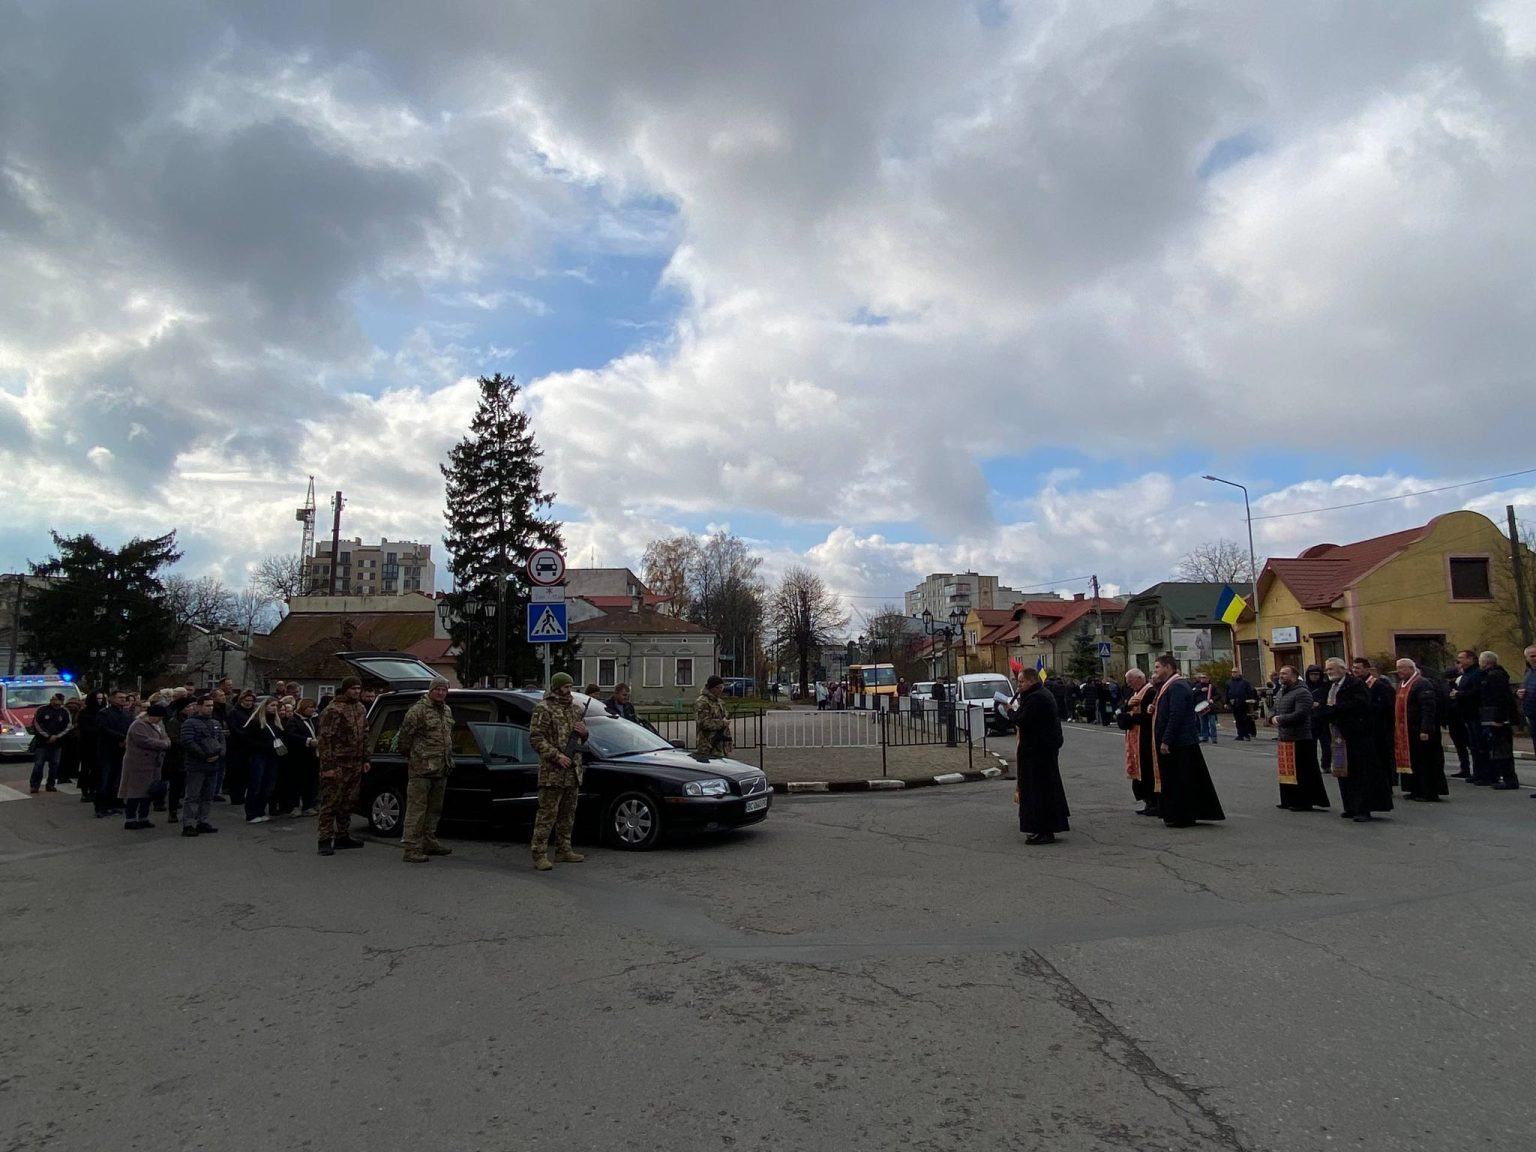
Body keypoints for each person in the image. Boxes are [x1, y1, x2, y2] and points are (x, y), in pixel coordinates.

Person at [1149, 654, 1225, 828]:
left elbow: (1176, 715)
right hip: (1179, 741)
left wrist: (1166, 740)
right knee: (1177, 780)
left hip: (1180, 742)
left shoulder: (1177, 686)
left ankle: (1182, 816)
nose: (1155, 671)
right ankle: (1175, 814)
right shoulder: (1169, 685)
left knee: (1182, 781)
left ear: (1168, 667)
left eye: (1158, 667)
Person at [1313, 657, 1391, 822]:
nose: (1328, 672)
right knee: (1343, 771)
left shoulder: (1355, 684)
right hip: (1338, 734)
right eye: (1327, 669)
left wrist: (1334, 710)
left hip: (1357, 735)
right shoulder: (1331, 686)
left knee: (1360, 773)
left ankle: (1363, 808)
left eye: (1331, 669)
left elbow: (1361, 705)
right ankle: (1350, 806)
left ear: (1342, 669)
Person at [528, 672, 589, 871]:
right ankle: (539, 854)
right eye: (565, 687)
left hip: (572, 771)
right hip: (552, 772)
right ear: (556, 687)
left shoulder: (575, 709)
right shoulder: (543, 708)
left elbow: (583, 738)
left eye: (570, 687)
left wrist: (584, 733)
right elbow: (536, 738)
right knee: (547, 815)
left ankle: (564, 849)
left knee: (567, 814)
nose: (569, 690)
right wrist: (557, 756)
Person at [1007, 668, 1069, 845]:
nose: (1018, 685)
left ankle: (1043, 830)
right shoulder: (1039, 694)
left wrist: (1010, 711)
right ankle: (1041, 828)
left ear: (1031, 681)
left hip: (1038, 752)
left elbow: (1023, 720)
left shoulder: (1036, 698)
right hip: (1041, 750)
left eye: (1021, 682)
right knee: (1042, 790)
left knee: (1039, 791)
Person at [397, 679, 455, 864]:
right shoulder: (417, 711)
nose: (440, 693)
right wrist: (415, 757)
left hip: (441, 767)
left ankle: (429, 841)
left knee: (434, 809)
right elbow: (404, 739)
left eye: (444, 690)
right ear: (431, 690)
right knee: (417, 809)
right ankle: (411, 848)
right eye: (437, 689)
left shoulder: (446, 710)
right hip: (421, 769)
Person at [315, 677, 370, 854]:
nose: (356, 691)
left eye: (358, 688)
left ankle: (342, 835)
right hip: (337, 763)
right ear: (345, 689)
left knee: (348, 801)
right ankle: (324, 839)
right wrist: (327, 767)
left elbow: (365, 734)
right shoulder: (333, 709)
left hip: (355, 763)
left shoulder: (360, 708)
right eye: (353, 688)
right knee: (331, 801)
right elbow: (325, 740)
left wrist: (365, 759)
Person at [1269, 665, 1329, 811]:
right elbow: (1274, 709)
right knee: (1287, 771)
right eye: (1280, 673)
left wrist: (1280, 719)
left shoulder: (1302, 692)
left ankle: (1303, 801)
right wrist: (1271, 718)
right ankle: (1288, 799)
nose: (1281, 676)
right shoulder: (1281, 691)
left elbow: (1301, 713)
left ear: (1294, 676)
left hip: (1300, 737)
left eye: (1285, 673)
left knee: (1303, 772)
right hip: (1284, 737)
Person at [1394, 659, 1447, 802]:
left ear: (1411, 668)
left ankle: (1428, 792)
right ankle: (1415, 789)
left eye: (1402, 668)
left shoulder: (1422, 684)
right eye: (1398, 668)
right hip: (1407, 731)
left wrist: (1425, 729)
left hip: (1420, 730)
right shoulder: (1402, 684)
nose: (1399, 671)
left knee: (1425, 762)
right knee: (1414, 761)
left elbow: (1428, 708)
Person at [120, 703, 172, 830]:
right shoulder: (138, 725)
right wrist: (163, 744)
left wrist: (165, 743)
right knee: (134, 793)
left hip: (153, 764)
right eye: (159, 717)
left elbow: (166, 738)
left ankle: (143, 817)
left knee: (148, 792)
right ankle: (130, 819)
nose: (160, 720)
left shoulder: (158, 725)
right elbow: (144, 741)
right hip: (138, 764)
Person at [180, 695, 225, 836]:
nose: (210, 708)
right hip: (196, 765)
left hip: (213, 765)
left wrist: (219, 754)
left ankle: (203, 821)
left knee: (208, 795)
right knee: (192, 796)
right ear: (199, 706)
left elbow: (222, 741)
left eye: (212, 706)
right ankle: (188, 824)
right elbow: (188, 742)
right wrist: (205, 755)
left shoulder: (215, 723)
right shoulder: (189, 723)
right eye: (207, 705)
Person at [1352, 658, 1397, 790]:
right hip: (1365, 729)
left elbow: (1387, 706)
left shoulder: (1380, 686)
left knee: (1382, 758)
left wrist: (1366, 707)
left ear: (1367, 669)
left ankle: (1387, 786)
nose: (1355, 670)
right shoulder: (1356, 685)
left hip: (1380, 728)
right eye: (1354, 668)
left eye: (1358, 668)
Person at [1117, 668, 1157, 816]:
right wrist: (1127, 706)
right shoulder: (1132, 693)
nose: (1129, 684)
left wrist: (1131, 717)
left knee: (1147, 770)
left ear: (1140, 678)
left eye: (1131, 681)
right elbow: (1122, 709)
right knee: (1139, 772)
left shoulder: (1150, 692)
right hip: (1134, 737)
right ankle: (1147, 801)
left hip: (1145, 738)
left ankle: (1154, 802)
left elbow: (1150, 716)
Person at [1478, 651, 1521, 790]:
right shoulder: (1492, 675)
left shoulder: (1495, 676)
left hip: (1499, 719)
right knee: (1498, 749)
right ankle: (1502, 777)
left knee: (1502, 749)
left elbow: (1501, 698)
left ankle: (1509, 780)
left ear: (1486, 662)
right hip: (1496, 717)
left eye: (1480, 661)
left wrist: (1498, 719)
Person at [240, 697, 285, 825]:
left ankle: (260, 811)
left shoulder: (276, 722)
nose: (274, 708)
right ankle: (251, 813)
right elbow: (248, 740)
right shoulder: (255, 722)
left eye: (276, 706)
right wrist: (265, 746)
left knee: (268, 785)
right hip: (259, 756)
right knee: (256, 784)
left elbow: (281, 736)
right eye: (272, 705)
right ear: (265, 706)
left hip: (272, 756)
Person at [1451, 650, 1491, 785]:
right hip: (1467, 714)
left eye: (1461, 658)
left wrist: (1459, 694)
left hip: (1476, 713)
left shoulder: (1476, 674)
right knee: (1474, 746)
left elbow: (1477, 692)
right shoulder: (1466, 674)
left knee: (1481, 746)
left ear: (1471, 659)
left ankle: (1485, 774)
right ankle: (1477, 773)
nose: (1459, 661)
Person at [95, 690, 134, 818]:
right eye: (120, 697)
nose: (123, 699)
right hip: (107, 750)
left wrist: (127, 739)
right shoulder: (104, 713)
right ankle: (101, 807)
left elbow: (131, 729)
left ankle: (113, 803)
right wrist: (121, 738)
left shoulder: (127, 714)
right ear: (111, 699)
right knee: (104, 779)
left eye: (125, 697)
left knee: (116, 779)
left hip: (122, 750)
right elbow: (103, 729)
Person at [28, 691, 71, 794]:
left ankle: (51, 784)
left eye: (55, 699)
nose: (53, 701)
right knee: (39, 764)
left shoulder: (64, 712)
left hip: (57, 743)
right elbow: (36, 724)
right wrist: (48, 736)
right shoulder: (42, 709)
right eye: (52, 699)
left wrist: (57, 736)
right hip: (42, 742)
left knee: (55, 764)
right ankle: (34, 785)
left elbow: (68, 726)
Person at [285, 698, 321, 817]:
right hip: (298, 757)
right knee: (296, 782)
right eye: (310, 707)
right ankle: (294, 806)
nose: (312, 709)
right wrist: (308, 741)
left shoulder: (315, 720)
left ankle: (308, 805)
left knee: (311, 782)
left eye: (314, 707)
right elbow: (290, 736)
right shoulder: (294, 721)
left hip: (313, 756)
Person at [225, 689, 258, 804]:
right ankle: (235, 796)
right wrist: (245, 735)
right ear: (241, 700)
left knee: (245, 773)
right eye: (247, 700)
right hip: (237, 746)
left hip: (249, 746)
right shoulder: (234, 712)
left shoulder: (253, 712)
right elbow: (233, 728)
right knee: (236, 772)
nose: (249, 703)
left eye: (251, 700)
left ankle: (241, 794)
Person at [695, 675, 734, 759]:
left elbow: (724, 716)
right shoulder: (702, 702)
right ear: (711, 688)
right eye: (718, 687)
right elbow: (703, 722)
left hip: (721, 745)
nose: (720, 690)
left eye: (722, 687)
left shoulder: (719, 701)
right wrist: (722, 723)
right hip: (708, 745)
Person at [1305, 665, 1333, 775]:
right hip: (1310, 720)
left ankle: (1326, 765)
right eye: (1312, 674)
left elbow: (1330, 701)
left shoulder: (1326, 686)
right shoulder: (1304, 687)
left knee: (1327, 746)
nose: (1314, 676)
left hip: (1323, 719)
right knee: (1310, 746)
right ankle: (1313, 766)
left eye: (1316, 674)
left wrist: (1321, 704)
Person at [57, 695, 84, 785]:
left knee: (64, 758)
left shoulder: (63, 710)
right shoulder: (81, 711)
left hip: (64, 736)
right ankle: (71, 773)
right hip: (75, 736)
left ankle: (63, 775)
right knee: (74, 757)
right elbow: (80, 723)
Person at [1521, 646, 1536, 798]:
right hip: (1532, 715)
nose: (1534, 658)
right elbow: (1524, 689)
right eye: (1531, 656)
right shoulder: (1529, 673)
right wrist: (1520, 693)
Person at [1225, 671, 1257, 741]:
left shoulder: (1245, 682)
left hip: (1243, 704)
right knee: (1237, 720)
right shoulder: (1229, 683)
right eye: (1233, 672)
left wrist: (1250, 701)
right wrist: (1227, 702)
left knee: (1245, 719)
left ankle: (1247, 734)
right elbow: (1227, 693)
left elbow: (1250, 692)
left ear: (1239, 673)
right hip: (1234, 703)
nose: (1234, 674)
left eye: (1235, 672)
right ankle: (1240, 734)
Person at [1191, 672, 1218, 744]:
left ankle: (1214, 738)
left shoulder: (1212, 686)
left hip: (1210, 708)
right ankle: (1205, 737)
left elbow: (1218, 695)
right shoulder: (1197, 686)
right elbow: (1192, 693)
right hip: (1201, 708)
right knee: (1203, 723)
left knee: (1212, 723)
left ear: (1208, 678)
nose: (1202, 679)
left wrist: (1213, 699)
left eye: (1204, 677)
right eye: (1201, 678)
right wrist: (1200, 690)